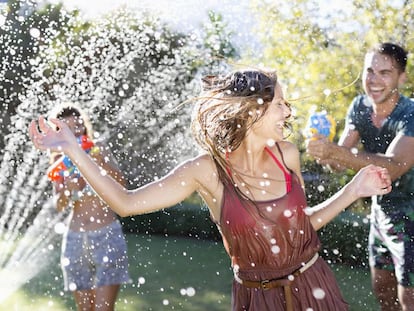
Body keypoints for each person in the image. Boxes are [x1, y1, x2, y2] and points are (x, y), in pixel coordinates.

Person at [29, 70, 392, 311]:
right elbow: (125, 202)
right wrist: (72, 149)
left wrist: (354, 189)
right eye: (280, 103)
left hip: (315, 285)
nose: (288, 111)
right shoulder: (206, 171)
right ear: (252, 111)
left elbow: (302, 225)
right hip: (258, 297)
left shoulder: (288, 155)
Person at [306, 42, 414, 311]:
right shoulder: (359, 106)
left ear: (402, 77)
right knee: (384, 294)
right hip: (381, 216)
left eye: (385, 73)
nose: (374, 80)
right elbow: (339, 163)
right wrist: (324, 148)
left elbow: (396, 165)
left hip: (412, 219)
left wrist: (336, 153)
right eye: (369, 71)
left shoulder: (410, 114)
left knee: (409, 300)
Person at [47, 103, 131, 311]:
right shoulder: (60, 161)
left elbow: (123, 185)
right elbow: (59, 205)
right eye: (68, 128)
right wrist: (67, 189)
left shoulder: (97, 148)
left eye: (78, 126)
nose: (75, 131)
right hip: (75, 239)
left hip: (106, 234)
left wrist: (99, 162)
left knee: (103, 309)